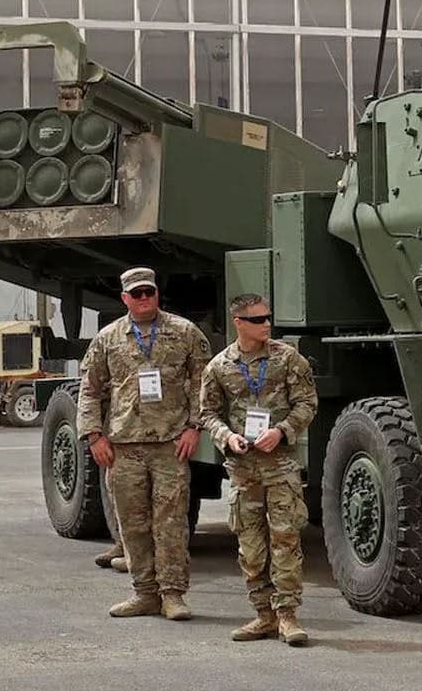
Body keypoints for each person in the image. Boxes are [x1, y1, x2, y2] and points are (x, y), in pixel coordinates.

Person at [77, 267, 210, 621]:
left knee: (171, 523)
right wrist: (94, 436)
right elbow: (90, 389)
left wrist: (195, 427)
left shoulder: (184, 332)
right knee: (132, 525)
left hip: (170, 444)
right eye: (136, 294)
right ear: (125, 298)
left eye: (149, 291)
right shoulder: (107, 339)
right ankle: (144, 593)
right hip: (124, 446)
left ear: (157, 293)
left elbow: (203, 383)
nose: (144, 298)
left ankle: (173, 595)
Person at [199, 294, 318, 646]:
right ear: (238, 322)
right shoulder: (219, 366)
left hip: (280, 467)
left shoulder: (288, 359)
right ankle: (263, 615)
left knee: (285, 541)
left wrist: (281, 431)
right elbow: (208, 413)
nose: (266, 324)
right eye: (257, 319)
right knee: (250, 548)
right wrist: (227, 437)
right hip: (243, 470)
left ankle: (288, 616)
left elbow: (307, 403)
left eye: (268, 317)